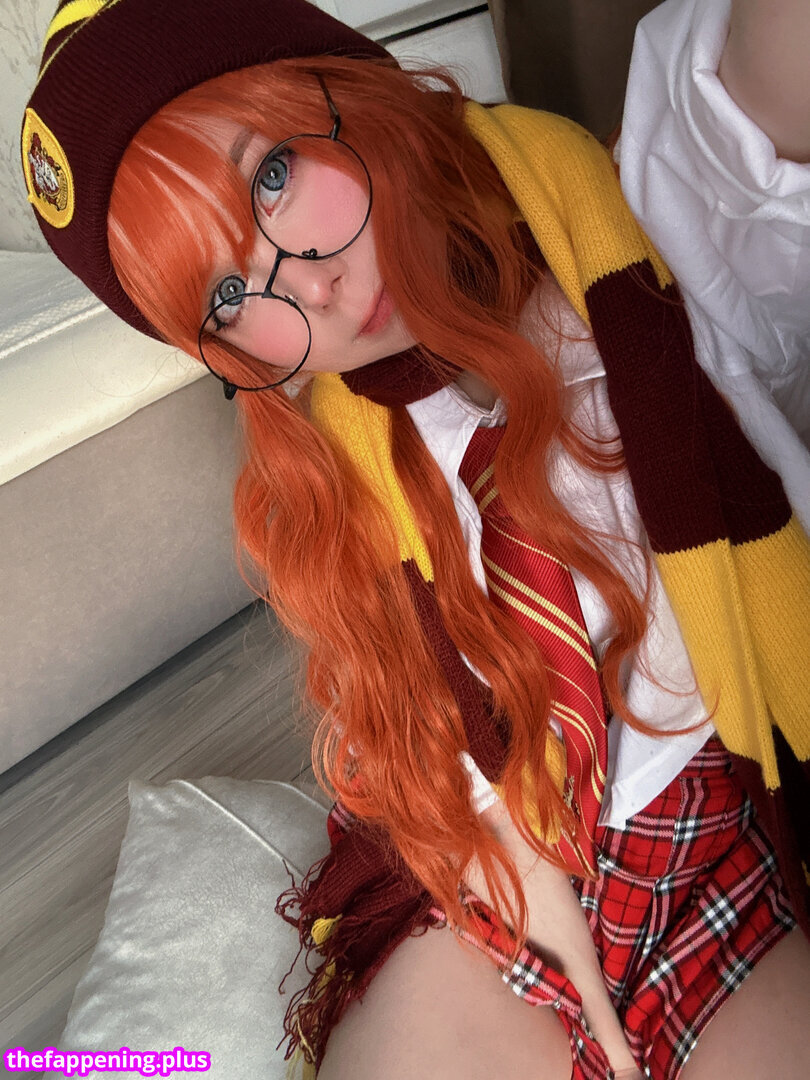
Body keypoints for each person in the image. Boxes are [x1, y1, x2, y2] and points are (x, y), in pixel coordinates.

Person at [21, 1, 810, 1078]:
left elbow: (759, 102)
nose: (313, 282)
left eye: (272, 175)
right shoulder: (345, 465)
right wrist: (570, 969)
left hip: (707, 831)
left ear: (345, 88)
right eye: (230, 291)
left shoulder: (634, 239)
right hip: (500, 858)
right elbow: (437, 736)